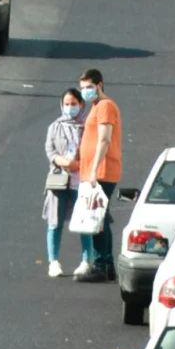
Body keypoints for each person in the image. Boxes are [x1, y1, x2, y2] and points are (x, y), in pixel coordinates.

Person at [74, 66, 123, 281]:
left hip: (101, 172)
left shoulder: (105, 106)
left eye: (89, 87)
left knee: (97, 219)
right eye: (83, 88)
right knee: (98, 217)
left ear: (99, 85)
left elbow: (104, 139)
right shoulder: (95, 106)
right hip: (93, 172)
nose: (85, 91)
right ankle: (107, 265)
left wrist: (93, 170)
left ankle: (101, 265)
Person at [42, 89, 86, 279]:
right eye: (67, 104)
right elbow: (50, 150)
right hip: (59, 180)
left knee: (85, 223)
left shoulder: (87, 126)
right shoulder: (55, 127)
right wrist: (63, 162)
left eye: (74, 104)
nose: (70, 108)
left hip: (81, 180)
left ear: (81, 105)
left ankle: (86, 261)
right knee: (55, 222)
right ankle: (53, 261)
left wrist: (78, 164)